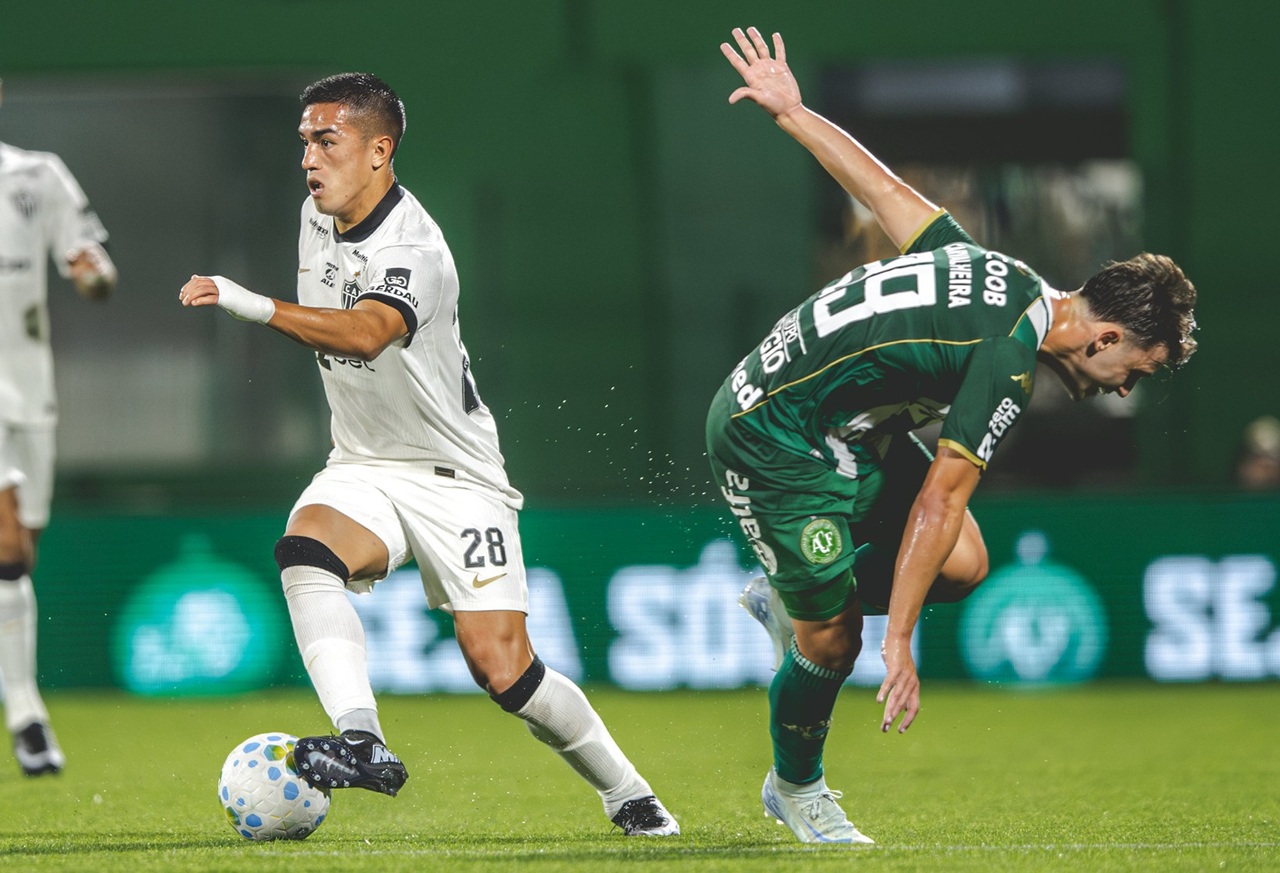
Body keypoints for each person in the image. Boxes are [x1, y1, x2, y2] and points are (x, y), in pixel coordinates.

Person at [707, 28, 1197, 844]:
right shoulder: (1005, 356)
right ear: (1106, 339)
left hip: (842, 425)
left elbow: (887, 192)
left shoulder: (1004, 277)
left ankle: (792, 592)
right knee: (836, 638)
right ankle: (797, 784)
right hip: (776, 432)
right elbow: (939, 496)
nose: (1123, 388)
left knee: (965, 563)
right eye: (1134, 371)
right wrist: (897, 642)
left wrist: (795, 113)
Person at [178, 72, 677, 836]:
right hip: (364, 463)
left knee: (505, 671)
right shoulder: (316, 214)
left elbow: (367, 332)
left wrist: (247, 301)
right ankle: (362, 741)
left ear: (380, 151)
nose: (309, 157)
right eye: (304, 141)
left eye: (327, 140)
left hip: (457, 478)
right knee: (305, 551)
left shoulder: (416, 247)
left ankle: (630, 793)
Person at [0, 78, 116, 776]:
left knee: (20, 559)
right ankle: (27, 712)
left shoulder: (35, 176)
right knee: (6, 545)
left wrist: (91, 271)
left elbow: (86, 256)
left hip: (28, 386)